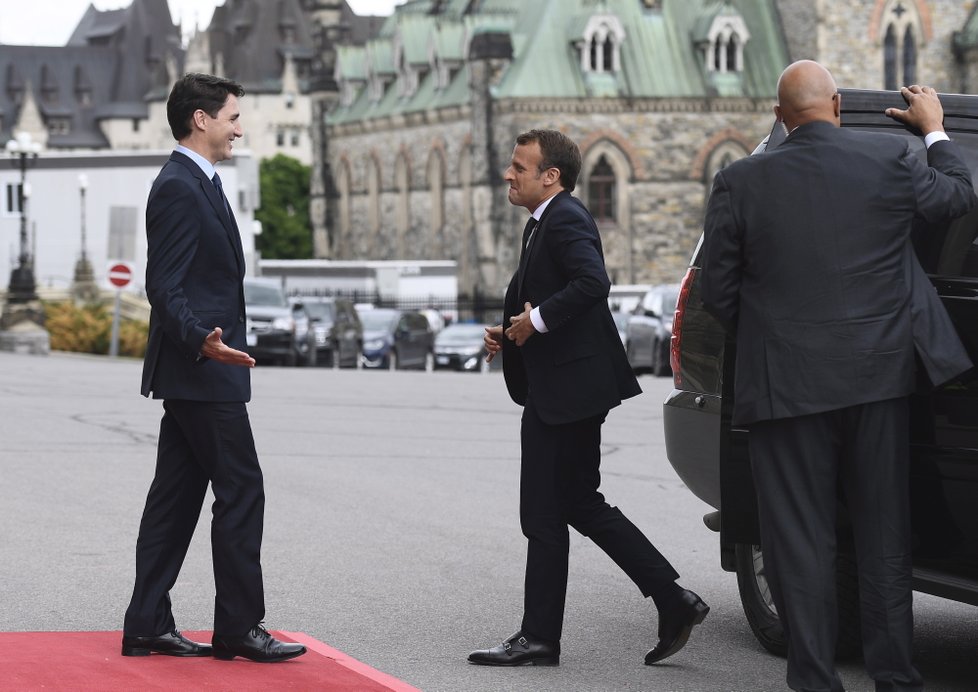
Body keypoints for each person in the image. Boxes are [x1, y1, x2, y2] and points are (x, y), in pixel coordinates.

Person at [700, 60, 976, 691]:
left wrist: (777, 336)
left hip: (786, 388)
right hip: (879, 381)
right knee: (883, 537)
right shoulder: (891, 160)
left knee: (799, 543)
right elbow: (959, 197)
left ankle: (816, 681)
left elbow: (718, 289)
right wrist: (933, 131)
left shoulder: (740, 181)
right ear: (839, 104)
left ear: (779, 116)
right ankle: (894, 677)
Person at [469, 129, 709, 667]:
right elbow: (545, 295)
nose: (509, 174)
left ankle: (538, 638)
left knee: (544, 514)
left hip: (568, 393)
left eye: (519, 167)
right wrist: (510, 330)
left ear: (550, 176)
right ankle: (673, 600)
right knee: (578, 504)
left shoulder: (567, 217)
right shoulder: (543, 223)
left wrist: (537, 319)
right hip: (569, 388)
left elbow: (591, 282)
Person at [122, 73, 306, 663]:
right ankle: (238, 627)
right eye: (231, 117)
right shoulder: (179, 185)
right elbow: (163, 285)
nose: (239, 128)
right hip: (202, 369)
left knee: (175, 498)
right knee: (242, 486)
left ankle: (147, 621)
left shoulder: (200, 181)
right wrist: (204, 341)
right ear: (200, 119)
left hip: (197, 370)